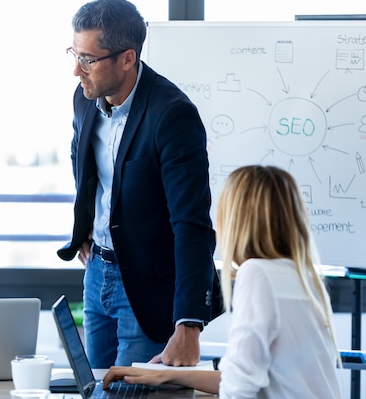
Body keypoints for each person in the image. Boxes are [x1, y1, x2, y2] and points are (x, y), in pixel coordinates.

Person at [57, 0, 223, 368]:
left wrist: (189, 324)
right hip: (97, 272)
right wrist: (85, 225)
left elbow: (192, 224)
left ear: (127, 58)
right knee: (96, 389)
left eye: (88, 60)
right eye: (74, 54)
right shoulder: (85, 99)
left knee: (132, 394)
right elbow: (80, 159)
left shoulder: (172, 115)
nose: (77, 70)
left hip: (148, 286)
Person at [102, 165, 343, 398]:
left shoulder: (257, 274)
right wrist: (165, 376)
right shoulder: (303, 275)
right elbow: (238, 378)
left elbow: (237, 390)